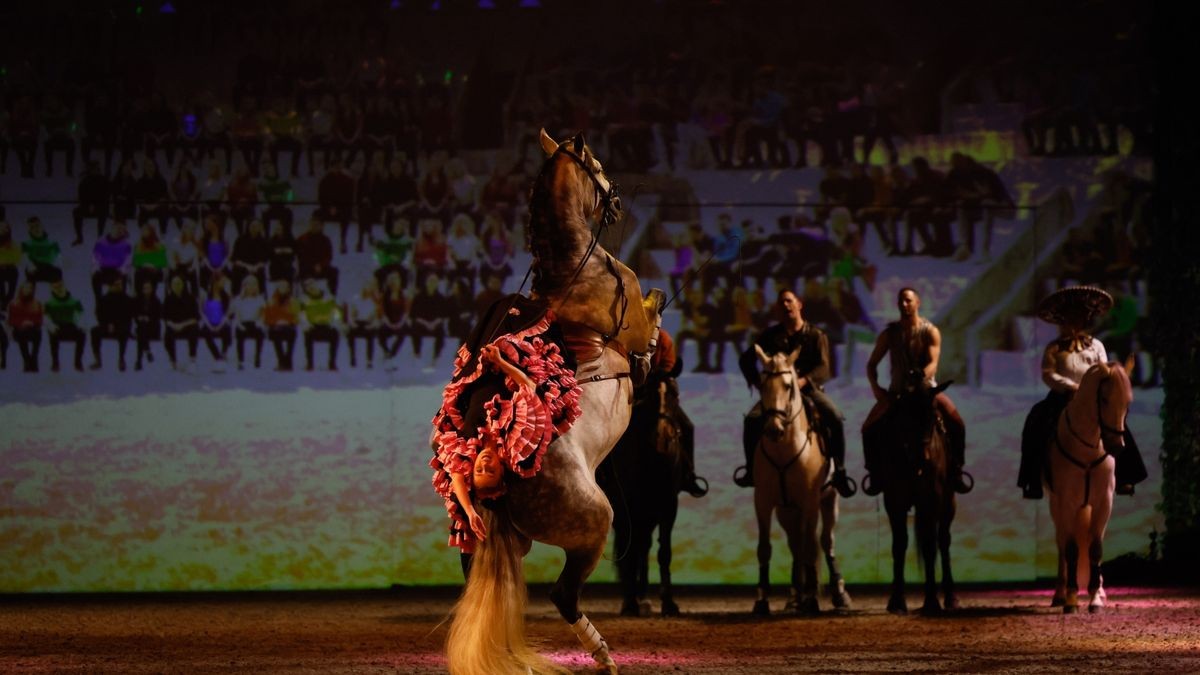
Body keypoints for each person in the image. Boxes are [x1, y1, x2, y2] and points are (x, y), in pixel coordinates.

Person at [1018, 286, 1148, 499]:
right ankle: (1032, 480)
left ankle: (1126, 476)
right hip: (1063, 397)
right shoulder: (1054, 348)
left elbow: (1104, 371)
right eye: (1069, 318)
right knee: (1036, 419)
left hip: (1093, 398)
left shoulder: (1096, 345)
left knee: (1118, 424)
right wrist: (1071, 386)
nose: (1073, 323)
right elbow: (1048, 374)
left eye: (1077, 318)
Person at [734, 289, 855, 497]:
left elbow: (825, 368)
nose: (786, 306)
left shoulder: (816, 335)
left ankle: (840, 472)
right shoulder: (770, 336)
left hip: (808, 390)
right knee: (752, 420)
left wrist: (803, 381)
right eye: (781, 303)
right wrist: (759, 383)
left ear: (799, 304)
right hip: (778, 394)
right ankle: (750, 471)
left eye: (789, 301)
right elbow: (746, 360)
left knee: (834, 416)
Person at [861, 287, 971, 496]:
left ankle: (956, 470)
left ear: (917, 303)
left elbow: (933, 363)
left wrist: (920, 377)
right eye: (901, 301)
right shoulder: (890, 334)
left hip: (925, 392)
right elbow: (871, 364)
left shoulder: (930, 331)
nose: (904, 305)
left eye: (908, 301)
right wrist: (877, 389)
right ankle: (875, 474)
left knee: (956, 422)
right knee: (868, 428)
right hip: (897, 393)